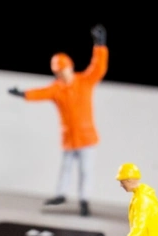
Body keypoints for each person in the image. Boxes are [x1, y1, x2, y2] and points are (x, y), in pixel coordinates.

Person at [9, 25, 108, 217]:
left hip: (87, 137)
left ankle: (84, 200)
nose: (61, 75)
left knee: (86, 171)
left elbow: (98, 67)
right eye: (58, 72)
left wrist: (100, 45)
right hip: (69, 137)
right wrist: (22, 94)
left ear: (70, 67)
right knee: (66, 168)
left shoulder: (85, 81)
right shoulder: (56, 88)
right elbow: (40, 93)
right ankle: (61, 194)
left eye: (63, 70)